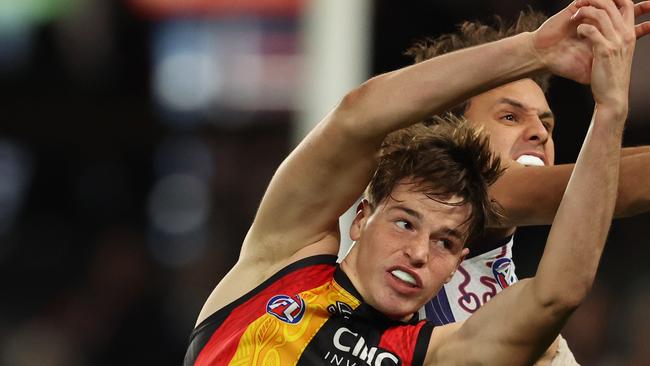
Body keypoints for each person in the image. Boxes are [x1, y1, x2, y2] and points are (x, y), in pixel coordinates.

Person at [184, 0, 649, 364]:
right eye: (405, 224)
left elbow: (557, 295)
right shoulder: (284, 265)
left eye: (446, 243)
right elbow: (356, 118)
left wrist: (610, 110)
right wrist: (533, 50)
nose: (421, 252)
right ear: (363, 216)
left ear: (458, 259)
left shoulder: (430, 350)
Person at [402, 2, 649, 363]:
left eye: (546, 125)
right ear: (452, 133)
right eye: (509, 116)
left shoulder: (529, 318)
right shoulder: (451, 195)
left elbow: (605, 170)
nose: (537, 133)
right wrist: (610, 107)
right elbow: (616, 183)